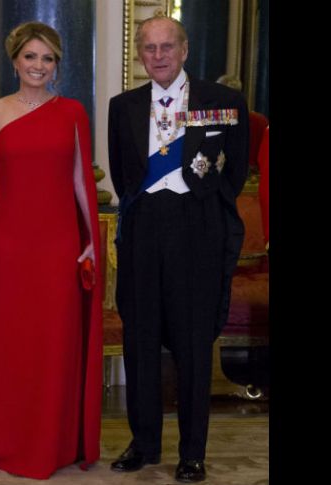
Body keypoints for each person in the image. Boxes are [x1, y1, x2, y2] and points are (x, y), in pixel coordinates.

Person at [0, 21, 103, 479]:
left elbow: (81, 178)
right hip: (10, 243)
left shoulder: (73, 112)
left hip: (58, 244)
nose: (39, 66)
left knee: (52, 343)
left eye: (48, 58)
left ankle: (51, 444)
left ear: (56, 66)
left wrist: (90, 242)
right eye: (31, 57)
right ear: (15, 60)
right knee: (7, 343)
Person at [107, 14, 248, 483]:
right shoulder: (122, 106)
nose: (159, 56)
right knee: (141, 340)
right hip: (145, 231)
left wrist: (203, 218)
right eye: (150, 48)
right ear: (140, 54)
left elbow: (233, 172)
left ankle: (192, 452)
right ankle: (144, 444)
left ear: (185, 50)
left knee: (191, 346)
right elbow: (125, 174)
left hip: (197, 231)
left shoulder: (223, 101)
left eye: (167, 47)